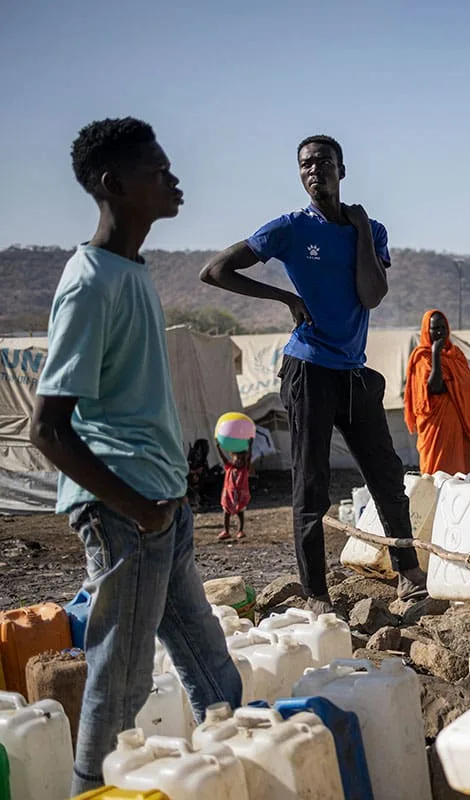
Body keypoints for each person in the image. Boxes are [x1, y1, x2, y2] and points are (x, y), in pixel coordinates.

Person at [30, 118, 242, 794]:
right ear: (112, 184)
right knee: (121, 687)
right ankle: (92, 788)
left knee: (214, 673)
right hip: (127, 512)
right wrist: (138, 510)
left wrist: (164, 506)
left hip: (160, 507)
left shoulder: (129, 270)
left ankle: (245, 771)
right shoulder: (90, 282)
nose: (173, 179)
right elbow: (47, 427)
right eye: (157, 170)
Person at [200, 134, 423, 610]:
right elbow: (215, 270)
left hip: (353, 372)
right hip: (308, 367)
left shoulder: (372, 230)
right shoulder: (291, 229)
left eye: (323, 162)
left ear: (342, 170)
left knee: (386, 473)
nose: (313, 170)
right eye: (305, 165)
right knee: (311, 481)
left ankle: (408, 572)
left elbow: (371, 295)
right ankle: (316, 593)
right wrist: (284, 298)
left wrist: (360, 229)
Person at [405, 309, 470, 475]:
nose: (440, 332)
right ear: (427, 330)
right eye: (435, 328)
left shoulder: (456, 355)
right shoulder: (422, 357)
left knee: (461, 473)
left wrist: (455, 385)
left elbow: (467, 383)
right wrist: (436, 355)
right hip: (435, 427)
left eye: (443, 328)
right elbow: (434, 388)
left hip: (459, 424)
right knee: (438, 473)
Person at [216, 442, 251, 540]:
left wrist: (250, 445)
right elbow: (223, 459)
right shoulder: (229, 467)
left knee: (240, 513)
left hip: (240, 496)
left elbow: (249, 458)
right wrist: (218, 448)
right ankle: (226, 531)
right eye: (237, 459)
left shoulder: (244, 470)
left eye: (241, 460)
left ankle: (240, 530)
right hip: (228, 495)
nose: (239, 461)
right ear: (233, 459)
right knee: (226, 513)